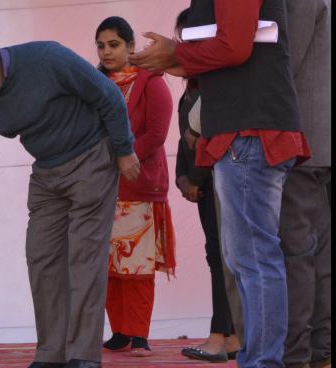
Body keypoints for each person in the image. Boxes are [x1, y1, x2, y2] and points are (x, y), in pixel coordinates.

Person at [0, 32, 140, 368]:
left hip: (91, 158)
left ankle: (83, 356)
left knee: (85, 257)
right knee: (41, 257)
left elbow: (108, 96)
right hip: (46, 172)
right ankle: (51, 354)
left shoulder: (47, 58)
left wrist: (124, 149)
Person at [128, 1, 311, 367]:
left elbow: (235, 45)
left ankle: (263, 361)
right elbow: (233, 48)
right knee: (248, 258)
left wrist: (175, 52)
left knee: (254, 258)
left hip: (248, 132)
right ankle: (260, 358)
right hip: (244, 131)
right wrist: (170, 59)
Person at [93, 16, 174, 358]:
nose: (107, 51)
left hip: (137, 184)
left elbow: (156, 135)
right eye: (101, 45)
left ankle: (140, 333)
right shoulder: (95, 83)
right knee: (108, 265)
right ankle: (121, 331)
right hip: (100, 188)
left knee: (136, 266)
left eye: (114, 44)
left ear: (130, 47)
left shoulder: (151, 81)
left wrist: (123, 157)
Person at [170, 8, 241, 364]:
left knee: (225, 258)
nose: (185, 47)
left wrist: (195, 178)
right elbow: (184, 141)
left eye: (193, 39)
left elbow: (206, 137)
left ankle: (222, 335)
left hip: (218, 181)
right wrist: (182, 178)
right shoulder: (192, 88)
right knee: (218, 257)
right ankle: (229, 335)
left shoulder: (216, 84)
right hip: (200, 184)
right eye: (182, 40)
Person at [280, 1, 331, 367]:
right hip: (317, 143)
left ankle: (298, 354)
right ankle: (318, 351)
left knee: (298, 256)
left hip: (303, 144)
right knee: (317, 256)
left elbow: (286, 62)